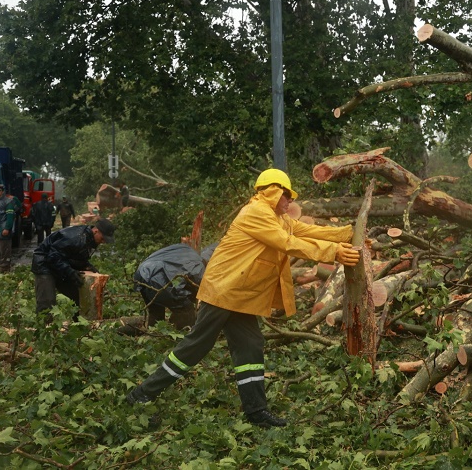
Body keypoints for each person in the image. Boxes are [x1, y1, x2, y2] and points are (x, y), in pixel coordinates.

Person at [126, 168, 361, 428]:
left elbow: (303, 231)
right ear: (273, 191)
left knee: (250, 344)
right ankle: (141, 395)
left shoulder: (276, 217)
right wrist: (335, 253)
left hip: (240, 295)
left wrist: (346, 234)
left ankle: (256, 412)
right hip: (224, 290)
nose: (291, 201)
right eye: (287, 195)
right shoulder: (256, 213)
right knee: (195, 347)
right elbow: (288, 243)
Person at [31, 218, 116, 321]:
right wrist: (70, 271)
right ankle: (44, 329)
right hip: (45, 265)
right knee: (47, 302)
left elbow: (77, 256)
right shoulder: (75, 237)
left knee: (80, 295)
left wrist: (88, 267)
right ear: (96, 231)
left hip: (60, 265)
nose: (103, 242)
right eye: (102, 239)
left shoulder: (89, 239)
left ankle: (80, 325)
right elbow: (52, 256)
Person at [132, 243, 208, 330]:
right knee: (185, 308)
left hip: (141, 273)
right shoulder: (199, 265)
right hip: (158, 278)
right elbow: (199, 289)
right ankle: (183, 336)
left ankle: (154, 335)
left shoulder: (186, 250)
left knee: (156, 311)